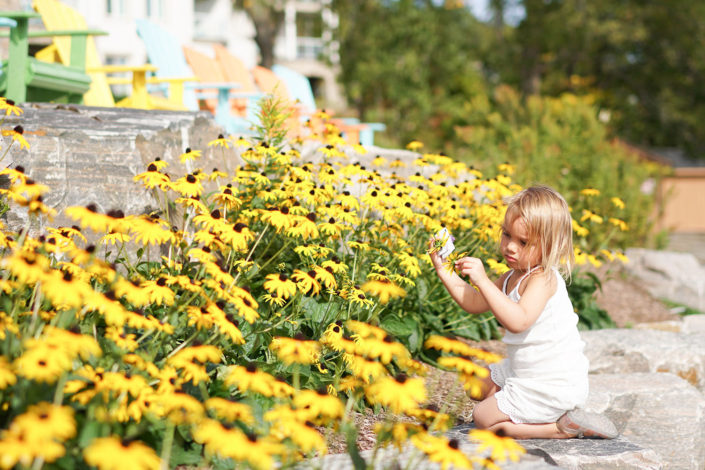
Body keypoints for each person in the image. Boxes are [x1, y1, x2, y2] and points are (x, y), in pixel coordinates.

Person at [429, 185, 618, 439]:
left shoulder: (543, 279)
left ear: (549, 245)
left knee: (483, 418)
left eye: (523, 242)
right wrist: (445, 272)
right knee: (474, 383)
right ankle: (514, 408)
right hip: (525, 372)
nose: (510, 247)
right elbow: (473, 302)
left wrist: (483, 281)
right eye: (506, 235)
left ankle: (560, 428)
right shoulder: (511, 276)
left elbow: (518, 320)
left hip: (550, 384)